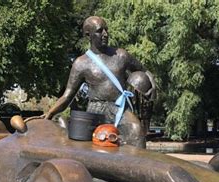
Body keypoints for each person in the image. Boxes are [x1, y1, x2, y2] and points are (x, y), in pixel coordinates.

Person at [43, 16, 156, 147]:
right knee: (93, 145)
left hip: (120, 108)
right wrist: (50, 113)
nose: (105, 34)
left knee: (137, 133)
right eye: (99, 31)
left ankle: (137, 167)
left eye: (106, 30)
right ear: (88, 35)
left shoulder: (121, 55)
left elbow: (144, 70)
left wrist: (152, 85)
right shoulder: (81, 63)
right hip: (96, 110)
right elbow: (68, 95)